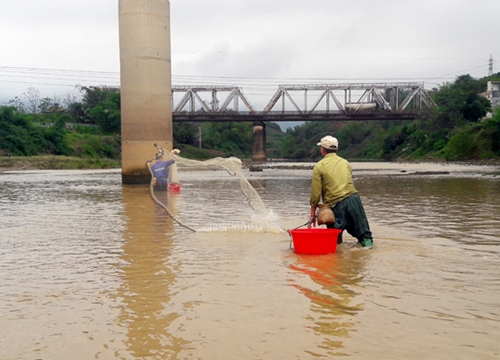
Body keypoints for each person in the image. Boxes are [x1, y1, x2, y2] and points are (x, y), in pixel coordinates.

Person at [308, 135, 373, 248]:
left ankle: (338, 262)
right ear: (336, 149)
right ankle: (369, 253)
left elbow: (315, 193)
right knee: (365, 234)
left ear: (323, 150)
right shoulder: (346, 163)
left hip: (335, 205)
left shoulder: (319, 166)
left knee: (335, 239)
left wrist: (312, 215)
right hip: (354, 200)